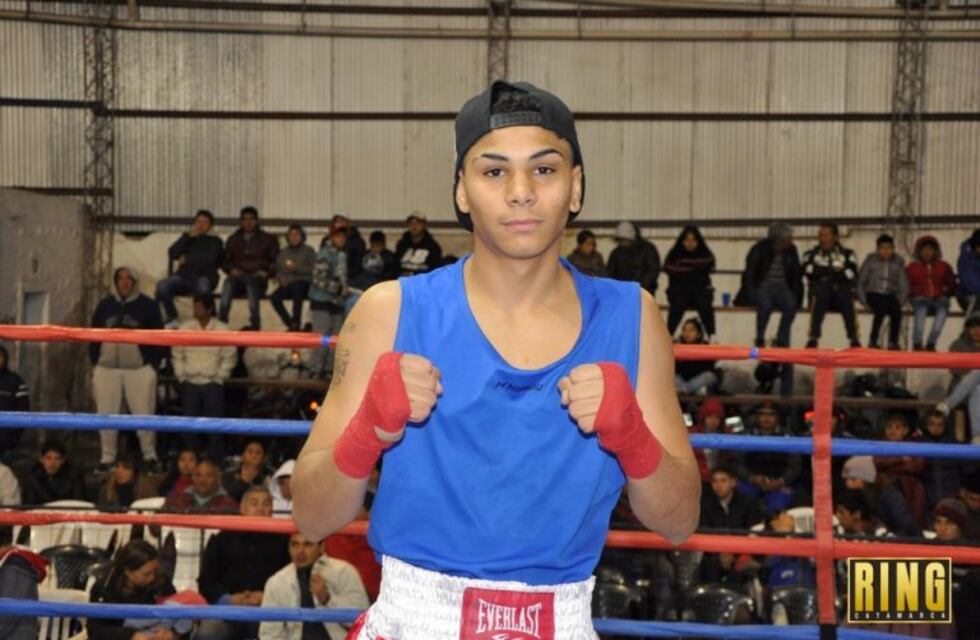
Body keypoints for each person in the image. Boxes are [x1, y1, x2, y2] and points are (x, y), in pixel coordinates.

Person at [292, 80, 699, 639]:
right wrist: (368, 429)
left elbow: (678, 522)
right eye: (493, 171)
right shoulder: (389, 312)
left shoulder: (633, 317)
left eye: (545, 169)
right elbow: (312, 517)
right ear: (462, 191)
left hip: (560, 620)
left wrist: (634, 437)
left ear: (575, 187)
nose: (521, 191)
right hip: (414, 618)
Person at [91, 266, 165, 471]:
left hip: (138, 369)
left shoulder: (148, 306)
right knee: (106, 415)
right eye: (120, 278)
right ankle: (107, 459)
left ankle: (150, 457)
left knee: (144, 415)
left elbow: (159, 336)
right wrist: (96, 359)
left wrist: (152, 363)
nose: (124, 282)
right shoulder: (105, 305)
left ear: (134, 281)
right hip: (107, 368)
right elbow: (92, 332)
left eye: (128, 278)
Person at [197, 486, 291, 640]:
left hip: (267, 610)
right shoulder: (222, 539)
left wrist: (267, 597)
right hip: (228, 610)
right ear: (243, 508)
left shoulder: (283, 541)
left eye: (266, 504)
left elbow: (289, 581)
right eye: (255, 504)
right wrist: (229, 599)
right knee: (208, 633)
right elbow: (206, 581)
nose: (261, 509)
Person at [258, 533, 369, 640]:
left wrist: (327, 599)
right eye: (295, 544)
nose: (300, 551)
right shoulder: (277, 582)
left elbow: (363, 623)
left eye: (307, 544)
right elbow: (269, 634)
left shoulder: (344, 571)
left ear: (321, 547)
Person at [171, 295, 237, 458]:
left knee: (215, 426)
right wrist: (181, 376)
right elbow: (177, 353)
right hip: (190, 381)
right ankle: (190, 460)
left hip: (212, 382)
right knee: (188, 426)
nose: (196, 310)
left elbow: (229, 355)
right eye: (195, 306)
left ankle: (215, 460)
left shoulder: (222, 329)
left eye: (200, 307)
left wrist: (220, 377)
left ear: (209, 309)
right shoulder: (185, 328)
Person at [89, 540, 185, 640]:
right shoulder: (104, 588)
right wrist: (130, 636)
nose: (152, 577)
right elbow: (95, 630)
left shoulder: (161, 581)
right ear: (127, 571)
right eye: (146, 574)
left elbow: (178, 614)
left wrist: (173, 633)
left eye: (155, 570)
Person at [735, 222, 803, 348]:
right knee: (765, 304)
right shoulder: (759, 249)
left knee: (791, 304)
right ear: (779, 239)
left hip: (782, 287)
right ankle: (760, 336)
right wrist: (751, 294)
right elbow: (750, 274)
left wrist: (797, 296)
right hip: (764, 285)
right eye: (788, 238)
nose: (791, 241)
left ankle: (781, 337)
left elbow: (796, 275)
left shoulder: (792, 251)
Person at [156, 209, 224, 328]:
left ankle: (205, 320)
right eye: (198, 221)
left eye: (205, 222)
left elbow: (210, 259)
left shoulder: (216, 241)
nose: (201, 225)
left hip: (204, 277)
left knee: (203, 287)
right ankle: (173, 317)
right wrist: (187, 238)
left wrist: (189, 258)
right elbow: (172, 253)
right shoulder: (187, 238)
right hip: (184, 277)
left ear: (210, 226)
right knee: (162, 286)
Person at [219, 206, 279, 330]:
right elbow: (224, 261)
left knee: (251, 283)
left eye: (251, 219)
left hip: (258, 279)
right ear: (241, 221)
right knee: (228, 283)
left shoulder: (268, 239)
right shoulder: (233, 239)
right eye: (245, 219)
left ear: (257, 221)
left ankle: (255, 323)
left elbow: (276, 261)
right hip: (238, 279)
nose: (248, 222)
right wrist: (230, 270)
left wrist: (267, 273)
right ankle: (222, 322)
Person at [802, 223, 860, 348]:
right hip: (821, 292)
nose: (823, 238)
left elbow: (851, 273)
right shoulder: (810, 254)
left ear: (835, 237)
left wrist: (824, 273)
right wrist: (836, 271)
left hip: (841, 292)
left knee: (847, 297)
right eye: (821, 235)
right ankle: (813, 337)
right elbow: (808, 271)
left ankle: (853, 338)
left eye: (826, 235)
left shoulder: (848, 254)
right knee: (821, 295)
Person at [874, 413, 927, 535]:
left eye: (897, 427)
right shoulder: (878, 446)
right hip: (885, 489)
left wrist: (890, 464)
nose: (892, 431)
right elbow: (877, 463)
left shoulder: (914, 446)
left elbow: (917, 466)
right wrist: (901, 459)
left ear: (905, 430)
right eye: (889, 427)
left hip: (910, 491)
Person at [856, 233, 908, 350]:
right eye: (883, 248)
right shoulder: (870, 262)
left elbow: (904, 284)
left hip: (890, 295)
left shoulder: (898, 263)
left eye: (889, 248)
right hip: (873, 293)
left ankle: (893, 342)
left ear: (893, 249)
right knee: (881, 308)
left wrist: (900, 301)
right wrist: (863, 301)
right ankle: (873, 340)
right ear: (877, 249)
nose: (886, 251)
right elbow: (860, 282)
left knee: (896, 312)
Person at [664, 225, 716, 340]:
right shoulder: (675, 253)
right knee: (678, 303)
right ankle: (668, 336)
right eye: (687, 240)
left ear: (698, 241)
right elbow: (668, 267)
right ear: (682, 241)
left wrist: (683, 265)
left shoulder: (704, 253)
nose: (690, 243)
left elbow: (709, 262)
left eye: (693, 240)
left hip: (700, 293)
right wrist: (694, 268)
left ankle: (712, 335)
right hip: (679, 292)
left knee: (704, 303)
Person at [309, 227, 349, 378]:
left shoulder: (341, 255)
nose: (342, 239)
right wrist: (338, 289)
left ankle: (329, 370)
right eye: (338, 236)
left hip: (336, 303)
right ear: (332, 237)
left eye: (343, 236)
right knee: (321, 338)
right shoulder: (324, 255)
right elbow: (318, 279)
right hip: (322, 302)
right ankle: (315, 370)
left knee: (334, 339)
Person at [906, 235, 956, 351]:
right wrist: (916, 293)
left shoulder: (944, 266)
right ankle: (917, 344)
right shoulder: (913, 267)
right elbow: (907, 285)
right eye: (924, 249)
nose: (927, 252)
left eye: (930, 249)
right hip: (920, 299)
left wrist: (946, 291)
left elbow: (952, 283)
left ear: (935, 251)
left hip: (940, 299)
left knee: (941, 315)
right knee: (920, 314)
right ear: (919, 251)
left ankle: (931, 344)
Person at [270, 225, 316, 331]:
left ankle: (296, 321)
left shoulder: (309, 251)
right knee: (274, 297)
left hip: (305, 284)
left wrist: (297, 268)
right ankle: (290, 323)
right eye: (291, 235)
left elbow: (313, 270)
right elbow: (278, 269)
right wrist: (280, 278)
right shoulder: (283, 253)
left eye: (297, 235)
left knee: (297, 287)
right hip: (288, 284)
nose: (294, 237)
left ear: (302, 236)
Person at [21, 439, 87, 504]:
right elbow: (29, 508)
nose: (52, 463)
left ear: (63, 460)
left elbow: (79, 505)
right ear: (41, 459)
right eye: (48, 458)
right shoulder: (32, 478)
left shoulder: (74, 476)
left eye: (57, 458)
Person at [920, 409, 962, 509]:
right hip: (926, 500)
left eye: (940, 425)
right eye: (932, 424)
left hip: (951, 497)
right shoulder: (918, 444)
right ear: (926, 425)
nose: (936, 428)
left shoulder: (954, 444)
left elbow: (962, 470)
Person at [606, 220, 661, 296]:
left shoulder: (647, 249)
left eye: (623, 239)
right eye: (619, 240)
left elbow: (653, 270)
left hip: (643, 292)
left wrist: (639, 286)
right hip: (622, 293)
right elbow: (610, 273)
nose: (621, 243)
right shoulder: (616, 253)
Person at [162, 460, 237, 514]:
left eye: (209, 475)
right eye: (198, 475)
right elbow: (155, 525)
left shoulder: (229, 505)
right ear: (192, 478)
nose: (203, 480)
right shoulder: (176, 500)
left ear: (217, 478)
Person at [674, 318, 718, 395]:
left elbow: (709, 368)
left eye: (691, 330)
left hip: (698, 379)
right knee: (672, 377)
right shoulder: (678, 345)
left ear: (698, 334)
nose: (687, 333)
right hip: (683, 379)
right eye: (684, 330)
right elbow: (675, 369)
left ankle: (684, 390)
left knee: (709, 376)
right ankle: (690, 390)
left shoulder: (705, 346)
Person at [0, 344, 28, 459]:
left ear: (5, 358)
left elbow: (24, 411)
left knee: (5, 476)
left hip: (5, 444)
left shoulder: (15, 381)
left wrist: (12, 436)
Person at [395, 211, 443, 276]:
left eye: (418, 223)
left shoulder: (433, 246)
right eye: (411, 223)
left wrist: (414, 274)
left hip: (422, 281)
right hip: (402, 280)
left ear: (424, 225)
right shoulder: (402, 244)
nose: (414, 226)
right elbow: (395, 264)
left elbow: (434, 269)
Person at [328, 213, 367, 283]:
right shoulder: (326, 241)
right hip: (331, 280)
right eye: (337, 222)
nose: (339, 224)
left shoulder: (357, 242)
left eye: (342, 221)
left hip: (352, 279)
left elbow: (358, 266)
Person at [956, 229, 980, 317]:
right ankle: (972, 325)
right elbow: (971, 284)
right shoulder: (966, 260)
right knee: (977, 300)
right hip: (967, 295)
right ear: (976, 246)